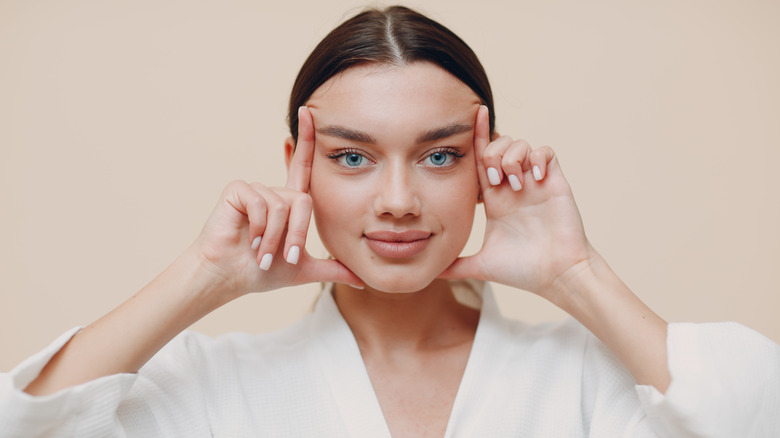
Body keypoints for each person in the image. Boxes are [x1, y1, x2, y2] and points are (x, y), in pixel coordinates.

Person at [1, 5, 778, 437]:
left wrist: (576, 276)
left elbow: (750, 419)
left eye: (440, 157)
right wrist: (203, 278)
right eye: (351, 158)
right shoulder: (213, 385)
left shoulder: (584, 376)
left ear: (485, 169)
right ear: (298, 165)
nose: (399, 199)